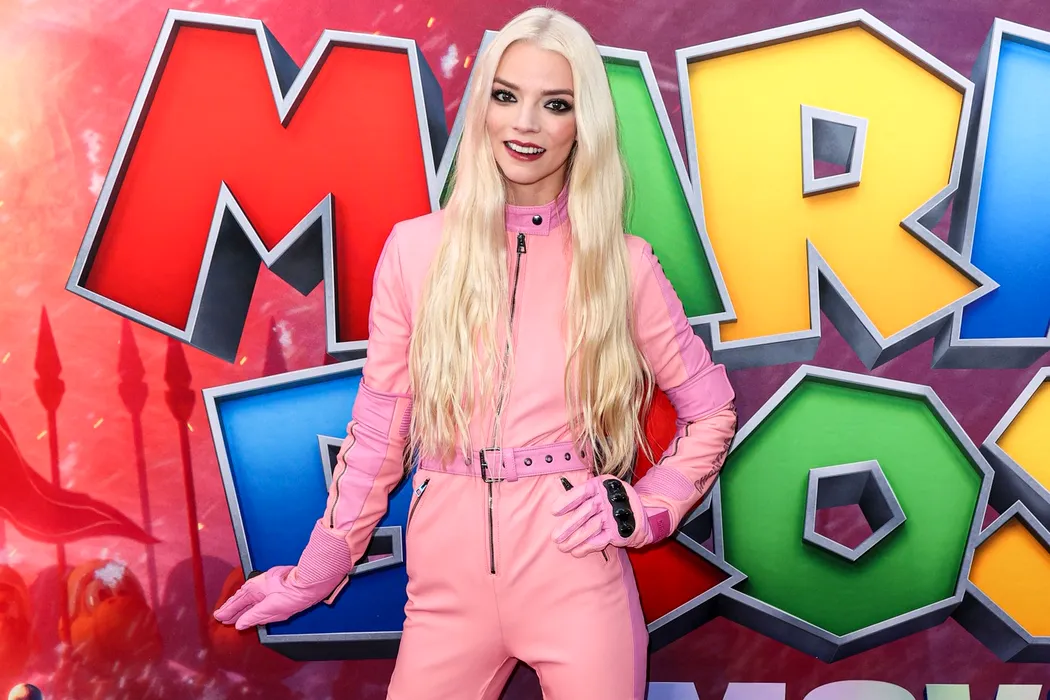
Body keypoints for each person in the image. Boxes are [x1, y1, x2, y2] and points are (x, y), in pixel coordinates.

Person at [214, 7, 737, 699]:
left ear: (583, 125)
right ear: (483, 106)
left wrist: (649, 509)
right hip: (445, 586)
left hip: (575, 573)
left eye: (555, 104)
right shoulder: (415, 251)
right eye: (506, 95)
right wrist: (317, 570)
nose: (526, 123)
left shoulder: (623, 265)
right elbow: (379, 435)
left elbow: (711, 412)